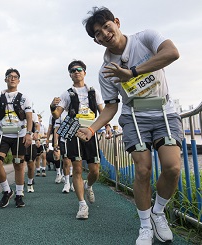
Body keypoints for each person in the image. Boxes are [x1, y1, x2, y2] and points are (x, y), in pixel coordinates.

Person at [80, 7, 183, 245]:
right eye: (98, 33)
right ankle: (145, 225)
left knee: (172, 168)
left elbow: (172, 53)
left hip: (164, 111)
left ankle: (158, 212)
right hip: (134, 116)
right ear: (95, 41)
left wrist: (132, 72)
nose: (105, 34)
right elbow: (111, 107)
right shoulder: (106, 70)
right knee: (143, 169)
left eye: (107, 26)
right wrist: (92, 128)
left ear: (116, 22)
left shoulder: (146, 38)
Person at [50, 60, 103, 219]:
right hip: (73, 132)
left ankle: (89, 185)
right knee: (77, 168)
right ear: (70, 75)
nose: (76, 72)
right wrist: (52, 106)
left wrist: (107, 127)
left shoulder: (94, 92)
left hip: (91, 131)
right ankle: (82, 205)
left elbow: (103, 111)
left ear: (85, 72)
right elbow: (56, 115)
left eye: (79, 69)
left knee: (95, 170)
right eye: (72, 70)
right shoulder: (66, 94)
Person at [0, 68, 32, 208]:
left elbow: (29, 117)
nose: (12, 78)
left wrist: (29, 134)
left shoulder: (24, 97)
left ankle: (19, 194)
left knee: (19, 164)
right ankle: (7, 190)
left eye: (15, 77)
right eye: (10, 76)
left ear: (19, 80)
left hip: (19, 134)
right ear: (6, 79)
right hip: (2, 134)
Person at [25, 110, 40, 192]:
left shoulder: (33, 115)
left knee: (30, 164)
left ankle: (30, 182)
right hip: (18, 140)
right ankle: (19, 186)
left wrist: (36, 133)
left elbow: (37, 125)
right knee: (19, 164)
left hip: (31, 142)